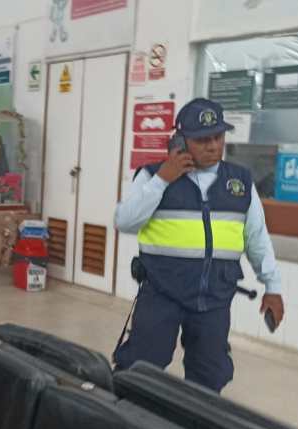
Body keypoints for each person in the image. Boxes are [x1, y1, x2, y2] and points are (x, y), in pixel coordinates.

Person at [113, 98, 285, 393]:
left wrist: (273, 286)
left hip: (214, 297)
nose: (213, 146)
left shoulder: (240, 182)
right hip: (162, 292)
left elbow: (257, 237)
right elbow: (124, 221)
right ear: (181, 141)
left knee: (210, 375)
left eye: (218, 137)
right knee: (140, 368)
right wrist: (163, 180)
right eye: (203, 139)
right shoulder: (153, 175)